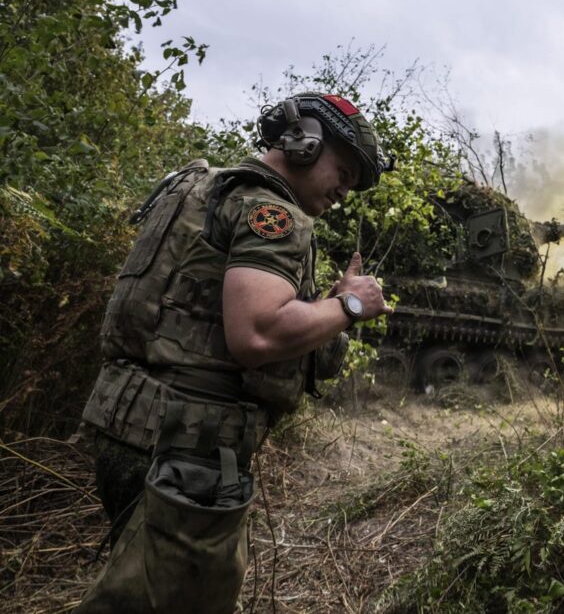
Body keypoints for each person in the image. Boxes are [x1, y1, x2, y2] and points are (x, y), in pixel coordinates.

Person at [73, 93, 394, 613]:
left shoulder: (199, 186)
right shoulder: (271, 211)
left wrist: (327, 305)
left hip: (127, 426)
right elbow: (258, 335)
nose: (344, 190)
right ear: (305, 141)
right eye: (344, 169)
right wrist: (353, 304)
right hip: (188, 449)